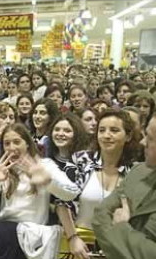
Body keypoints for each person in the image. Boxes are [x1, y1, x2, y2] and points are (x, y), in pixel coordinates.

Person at [0, 123, 80, 259]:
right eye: (7, 143)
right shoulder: (1, 168)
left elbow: (72, 193)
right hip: (5, 233)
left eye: (16, 142)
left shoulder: (44, 165)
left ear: (27, 143)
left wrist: (48, 181)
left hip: (34, 232)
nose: (11, 147)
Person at [57, 109, 140, 259]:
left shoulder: (135, 171)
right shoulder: (80, 160)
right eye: (102, 130)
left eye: (114, 130)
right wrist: (72, 237)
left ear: (128, 136)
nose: (106, 135)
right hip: (76, 242)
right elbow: (61, 202)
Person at [92, 114, 156, 259]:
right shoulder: (139, 171)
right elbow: (100, 216)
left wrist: (121, 229)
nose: (143, 142)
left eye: (151, 138)